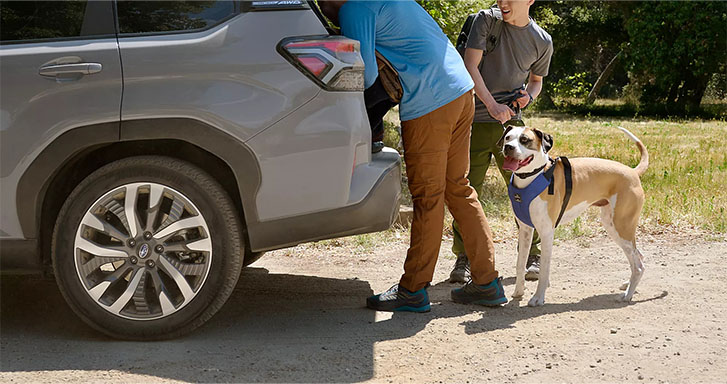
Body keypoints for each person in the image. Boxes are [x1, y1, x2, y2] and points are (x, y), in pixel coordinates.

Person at [319, 0, 507, 312]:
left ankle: (413, 289)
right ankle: (487, 283)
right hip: (462, 90)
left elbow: (362, 76)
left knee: (428, 196)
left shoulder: (354, 8)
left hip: (431, 101)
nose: (323, 9)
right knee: (457, 187)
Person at [449, 0, 553, 284]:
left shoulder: (542, 40)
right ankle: (465, 258)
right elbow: (470, 66)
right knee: (467, 191)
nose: (502, 2)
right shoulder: (486, 20)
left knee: (528, 189)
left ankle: (532, 253)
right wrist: (491, 105)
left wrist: (528, 97)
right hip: (474, 119)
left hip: (513, 127)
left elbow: (536, 81)